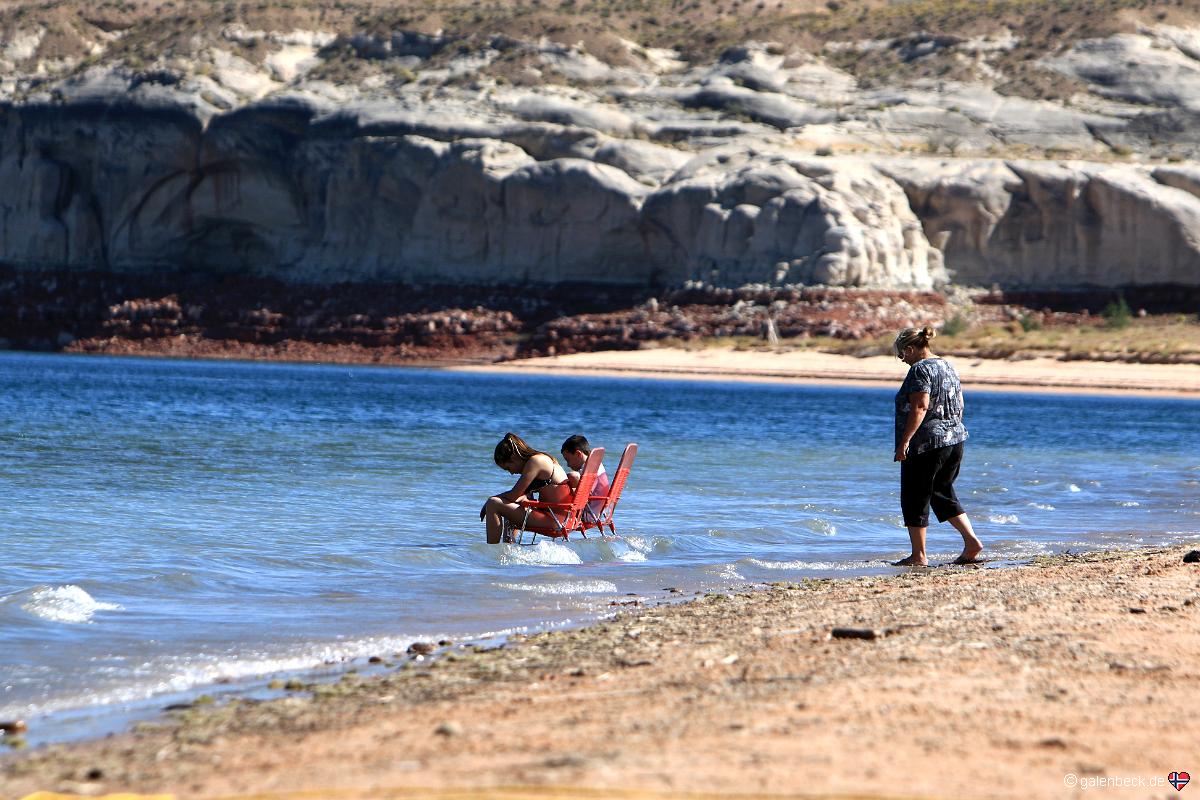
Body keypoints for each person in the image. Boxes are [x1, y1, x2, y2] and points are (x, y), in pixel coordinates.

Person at [892, 325, 984, 567]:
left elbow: (920, 406)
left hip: (927, 443)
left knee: (914, 496)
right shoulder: (947, 366)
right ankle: (972, 542)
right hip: (955, 439)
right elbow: (960, 402)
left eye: (902, 355)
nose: (903, 361)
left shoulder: (919, 370)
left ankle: (918, 555)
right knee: (941, 492)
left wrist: (905, 441)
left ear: (910, 349)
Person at [480, 432, 571, 544]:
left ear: (514, 457)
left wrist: (489, 501)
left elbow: (514, 495)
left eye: (508, 468)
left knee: (493, 503)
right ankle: (509, 547)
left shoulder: (536, 462)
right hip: (561, 518)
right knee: (506, 504)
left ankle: (492, 553)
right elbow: (520, 495)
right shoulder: (544, 459)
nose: (511, 473)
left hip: (554, 521)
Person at [561, 434, 611, 525]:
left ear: (578, 454)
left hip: (588, 514)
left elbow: (582, 497)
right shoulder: (596, 464)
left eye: (568, 460)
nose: (568, 465)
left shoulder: (588, 471)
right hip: (601, 512)